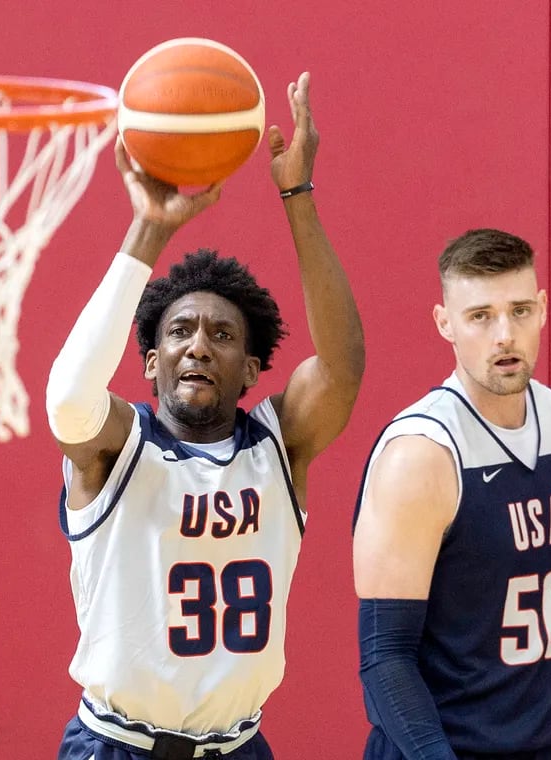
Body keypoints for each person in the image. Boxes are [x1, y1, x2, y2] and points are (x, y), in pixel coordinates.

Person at [46, 72, 364, 760]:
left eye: (222, 335)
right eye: (179, 331)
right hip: (115, 746)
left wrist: (297, 196)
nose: (197, 343)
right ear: (151, 363)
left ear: (250, 371)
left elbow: (342, 369)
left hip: (240, 745)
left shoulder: (278, 447)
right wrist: (149, 227)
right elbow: (68, 400)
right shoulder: (116, 448)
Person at [352, 228, 551, 760]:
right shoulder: (422, 454)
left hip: (550, 743)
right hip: (442, 749)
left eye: (520, 310)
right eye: (480, 316)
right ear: (445, 324)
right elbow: (385, 659)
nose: (504, 334)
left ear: (543, 309)